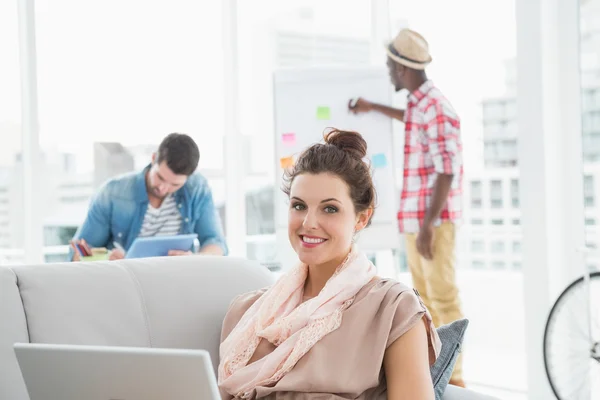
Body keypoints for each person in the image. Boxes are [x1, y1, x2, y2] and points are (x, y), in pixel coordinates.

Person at [218, 129, 441, 400]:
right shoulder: (246, 312)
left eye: (330, 209)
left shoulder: (393, 308)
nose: (308, 223)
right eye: (298, 206)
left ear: (361, 218)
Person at [348, 28, 465, 387]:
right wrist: (373, 107)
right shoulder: (419, 102)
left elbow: (447, 170)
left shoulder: (438, 108)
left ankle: (457, 381)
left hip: (433, 221)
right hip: (416, 219)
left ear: (402, 68)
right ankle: (435, 375)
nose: (387, 72)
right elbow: (409, 117)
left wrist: (429, 225)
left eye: (389, 65)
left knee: (443, 296)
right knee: (425, 299)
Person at [70, 132, 227, 260]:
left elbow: (216, 243)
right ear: (153, 159)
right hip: (126, 279)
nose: (164, 188)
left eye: (175, 185)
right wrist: (106, 259)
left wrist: (195, 258)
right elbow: (77, 256)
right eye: (160, 178)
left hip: (177, 280)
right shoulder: (112, 193)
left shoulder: (197, 188)